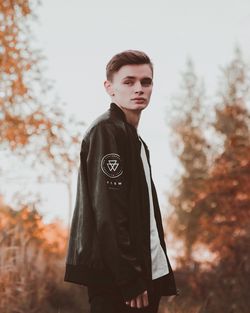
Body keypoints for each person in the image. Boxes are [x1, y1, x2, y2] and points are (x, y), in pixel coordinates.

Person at [64, 50, 178, 313]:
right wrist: (129, 279)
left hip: (144, 273)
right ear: (110, 88)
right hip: (121, 282)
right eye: (128, 82)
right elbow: (109, 213)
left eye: (146, 82)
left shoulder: (134, 139)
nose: (139, 88)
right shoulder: (107, 131)